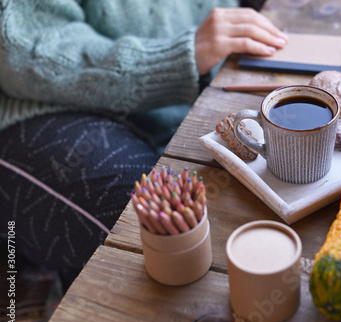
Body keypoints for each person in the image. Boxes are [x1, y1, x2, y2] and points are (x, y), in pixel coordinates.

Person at [0, 0, 287, 288]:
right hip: (49, 105)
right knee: (155, 229)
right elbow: (21, 48)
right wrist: (174, 59)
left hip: (199, 80)